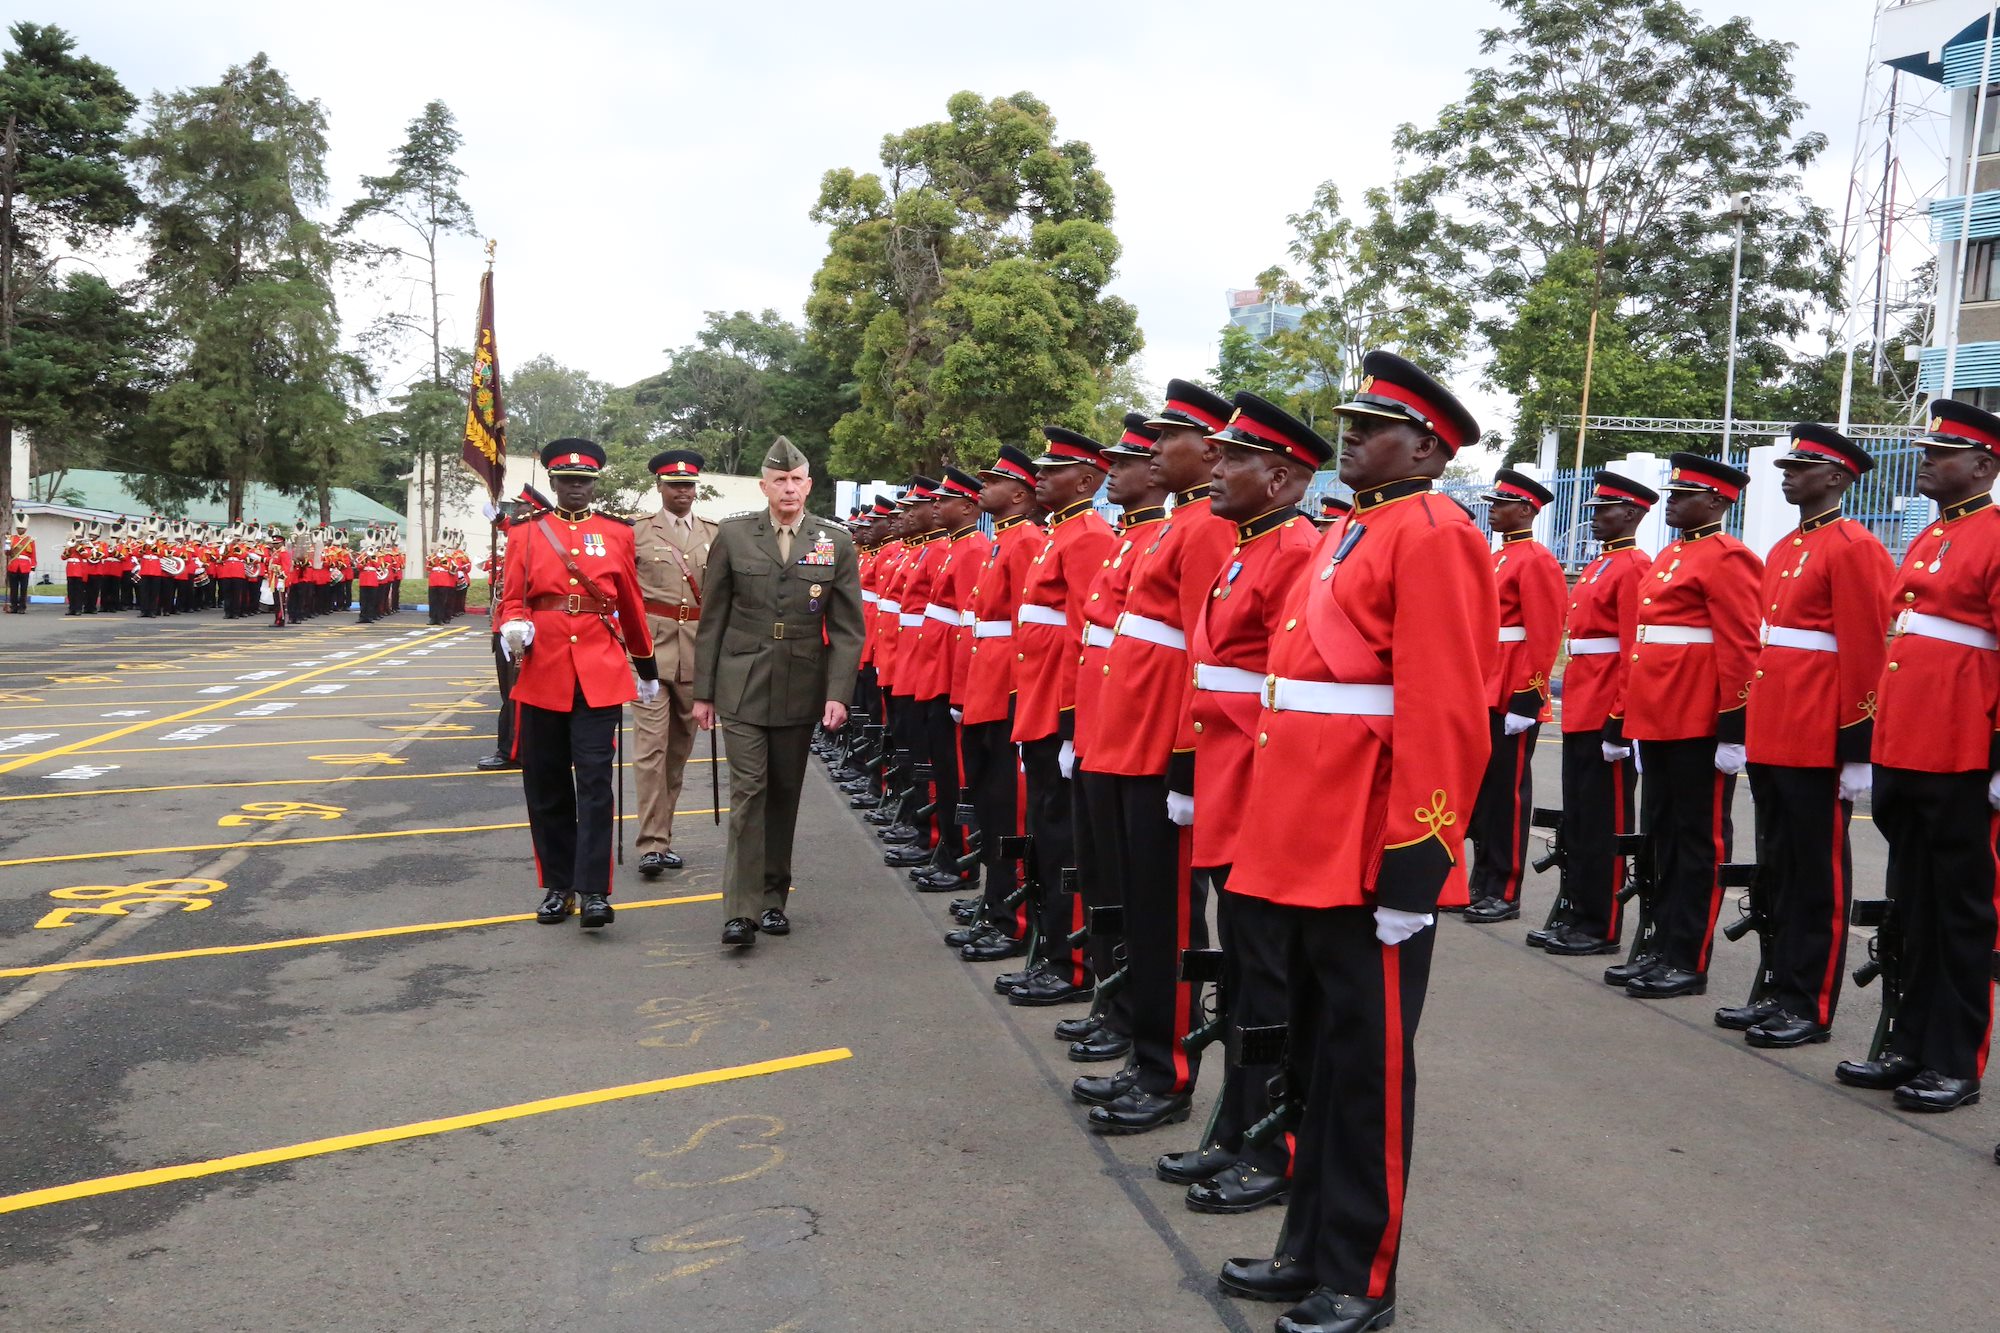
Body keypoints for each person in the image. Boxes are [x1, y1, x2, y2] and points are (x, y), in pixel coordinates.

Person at [1216, 351, 1494, 1333]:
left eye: (1368, 426)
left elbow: (1446, 707)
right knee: (1316, 1056)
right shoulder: (1354, 526)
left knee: (1368, 1070)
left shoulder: (1434, 534)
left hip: (1367, 848)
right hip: (1300, 833)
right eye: (1345, 420)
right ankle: (1306, 1249)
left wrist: (1415, 860)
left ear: (1421, 444)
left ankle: (1361, 1276)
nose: (1347, 436)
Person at [1156, 388, 1329, 1214]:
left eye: (1235, 457)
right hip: (1227, 778)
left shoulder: (1295, 549)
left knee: (1272, 978)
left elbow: (1288, 693)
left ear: (1284, 477)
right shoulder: (1244, 544)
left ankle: (1275, 1141)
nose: (1214, 466)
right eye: (1216, 453)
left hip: (1266, 786)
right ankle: (1236, 1126)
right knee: (1245, 969)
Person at [1837, 398, 2000, 1112]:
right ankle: (1906, 1041)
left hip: (1963, 750)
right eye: (1928, 451)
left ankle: (1954, 1058)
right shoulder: (1932, 537)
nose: (1928, 461)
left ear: (1985, 465)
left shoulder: (1995, 536)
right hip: (1908, 748)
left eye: (1943, 453)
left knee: (1962, 913)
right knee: (1911, 904)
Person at [1083, 383, 1238, 1135]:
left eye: (1164, 439)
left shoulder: (1207, 527)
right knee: (1145, 914)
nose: (1150, 450)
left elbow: (1202, 657)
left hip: (1159, 747)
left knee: (1169, 919)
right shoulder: (1182, 522)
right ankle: (1146, 1057)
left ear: (1206, 449)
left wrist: (1185, 758)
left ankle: (1167, 1069)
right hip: (1129, 740)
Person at [1724, 423, 1893, 1048]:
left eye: (1802, 468)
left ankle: (1809, 1002)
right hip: (1775, 727)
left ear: (1838, 478)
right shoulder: (1785, 548)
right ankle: (1776, 985)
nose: (1789, 475)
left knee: (1815, 874)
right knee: (1779, 868)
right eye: (1789, 467)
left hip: (1817, 730)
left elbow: (1866, 649)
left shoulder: (1855, 548)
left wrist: (1857, 744)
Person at [693, 435, 866, 947]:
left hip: (801, 681)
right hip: (741, 682)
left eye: (796, 480)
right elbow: (713, 618)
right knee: (750, 792)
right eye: (779, 480)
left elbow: (849, 628)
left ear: (808, 485)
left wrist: (838, 692)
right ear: (764, 486)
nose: (788, 489)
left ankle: (773, 898)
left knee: (785, 793)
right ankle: (740, 910)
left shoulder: (835, 541)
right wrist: (703, 693)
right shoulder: (735, 535)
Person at [1610, 453, 1763, 1000]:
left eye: (1683, 494)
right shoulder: (1674, 554)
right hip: (1659, 714)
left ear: (1718, 501)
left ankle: (1687, 957)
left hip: (1698, 719)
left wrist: (1733, 728)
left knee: (1698, 841)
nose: (1670, 501)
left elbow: (1741, 647)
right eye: (1671, 493)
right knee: (1663, 837)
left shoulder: (1729, 557)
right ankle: (1658, 945)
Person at [495, 438, 661, 930]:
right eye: (567, 481)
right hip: (543, 670)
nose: (575, 488)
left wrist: (646, 668)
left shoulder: (616, 533)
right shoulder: (526, 533)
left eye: (584, 481)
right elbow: (511, 597)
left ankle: (594, 891)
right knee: (545, 787)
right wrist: (512, 623)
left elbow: (629, 602)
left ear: (594, 483)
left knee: (594, 785)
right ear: (552, 482)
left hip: (598, 671)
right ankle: (558, 886)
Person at [996, 427, 1116, 1005]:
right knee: (1046, 833)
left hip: (1058, 707)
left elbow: (1081, 638)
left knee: (1061, 838)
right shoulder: (1057, 532)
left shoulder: (1089, 534)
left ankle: (1068, 963)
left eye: (1054, 469)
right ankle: (1048, 950)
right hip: (1037, 700)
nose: (1039, 476)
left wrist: (1071, 722)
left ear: (1087, 482)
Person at [1533, 472, 1657, 956]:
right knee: (1581, 819)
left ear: (1631, 514)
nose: (1595, 517)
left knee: (1605, 821)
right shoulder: (1601, 564)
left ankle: (1599, 924)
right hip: (1583, 699)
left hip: (1606, 702)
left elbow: (1633, 649)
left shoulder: (1632, 567)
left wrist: (1621, 717)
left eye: (1605, 509)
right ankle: (1577, 912)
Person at [949, 445, 1045, 960]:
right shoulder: (1001, 541)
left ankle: (1011, 914)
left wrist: (1015, 696)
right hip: (986, 688)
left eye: (995, 481)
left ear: (1020, 494)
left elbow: (1028, 630)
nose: (983, 488)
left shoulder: (1027, 539)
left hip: (1006, 689)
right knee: (989, 806)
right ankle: (994, 904)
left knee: (1009, 814)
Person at [1463, 470, 1566, 924]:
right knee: (1483, 794)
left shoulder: (1536, 560)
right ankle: (1481, 881)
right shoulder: (1498, 556)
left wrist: (1528, 696)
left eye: (1502, 503)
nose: (1493, 509)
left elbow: (1544, 634)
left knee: (1507, 797)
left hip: (1510, 689)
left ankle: (1503, 889)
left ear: (1526, 509)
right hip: (1485, 683)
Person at [633, 450, 718, 876]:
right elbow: (621, 596)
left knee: (677, 754)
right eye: (674, 485)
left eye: (688, 485)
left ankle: (662, 835)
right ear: (660, 488)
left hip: (697, 655)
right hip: (650, 653)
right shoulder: (638, 534)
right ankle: (652, 844)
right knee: (650, 750)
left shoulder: (712, 534)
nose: (682, 492)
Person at [6, 515, 34, 614]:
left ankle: (22, 607)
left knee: (23, 589)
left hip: (25, 567)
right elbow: (7, 553)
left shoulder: (30, 540)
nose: (20, 530)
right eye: (18, 528)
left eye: (22, 528)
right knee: (13, 588)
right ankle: (13, 606)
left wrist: (33, 568)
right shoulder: (11, 538)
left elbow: (33, 555)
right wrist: (7, 546)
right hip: (13, 565)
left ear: (25, 529)